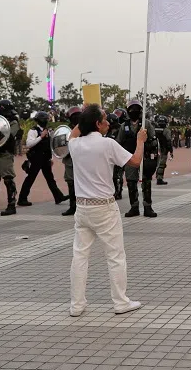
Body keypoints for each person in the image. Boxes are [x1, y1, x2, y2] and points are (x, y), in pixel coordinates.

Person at [67, 104, 144, 317]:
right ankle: (120, 302)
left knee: (80, 256)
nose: (108, 122)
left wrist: (85, 115)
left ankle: (77, 305)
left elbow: (73, 133)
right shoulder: (107, 144)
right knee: (115, 256)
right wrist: (140, 141)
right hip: (104, 207)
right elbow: (135, 162)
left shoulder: (75, 145)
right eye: (104, 119)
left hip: (82, 207)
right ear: (97, 124)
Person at [116, 100, 158, 218]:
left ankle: (147, 206)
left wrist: (147, 144)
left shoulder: (146, 124)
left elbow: (154, 140)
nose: (134, 111)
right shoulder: (124, 126)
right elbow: (119, 142)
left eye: (136, 109)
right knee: (131, 182)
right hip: (130, 158)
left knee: (146, 181)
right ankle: (134, 206)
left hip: (144, 157)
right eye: (131, 109)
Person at [19, 111, 67, 206]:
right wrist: (41, 137)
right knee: (30, 178)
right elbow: (29, 144)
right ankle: (22, 199)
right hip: (36, 158)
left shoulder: (48, 131)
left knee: (50, 178)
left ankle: (58, 197)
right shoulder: (33, 131)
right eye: (43, 119)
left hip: (45, 158)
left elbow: (51, 145)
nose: (45, 121)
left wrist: (52, 158)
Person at [59, 106, 84, 217]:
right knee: (71, 183)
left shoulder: (86, 129)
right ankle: (73, 206)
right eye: (74, 116)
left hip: (82, 160)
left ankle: (82, 207)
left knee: (83, 183)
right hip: (69, 159)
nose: (76, 118)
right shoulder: (66, 130)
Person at [108, 108, 126, 199]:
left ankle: (118, 191)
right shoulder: (108, 130)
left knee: (118, 175)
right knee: (112, 175)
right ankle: (115, 190)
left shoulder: (121, 129)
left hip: (119, 154)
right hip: (110, 156)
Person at [154, 114, 173, 186]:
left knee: (157, 163)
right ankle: (159, 178)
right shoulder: (166, 131)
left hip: (155, 149)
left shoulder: (154, 129)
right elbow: (169, 141)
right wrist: (171, 150)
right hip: (164, 149)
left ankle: (157, 176)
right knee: (162, 164)